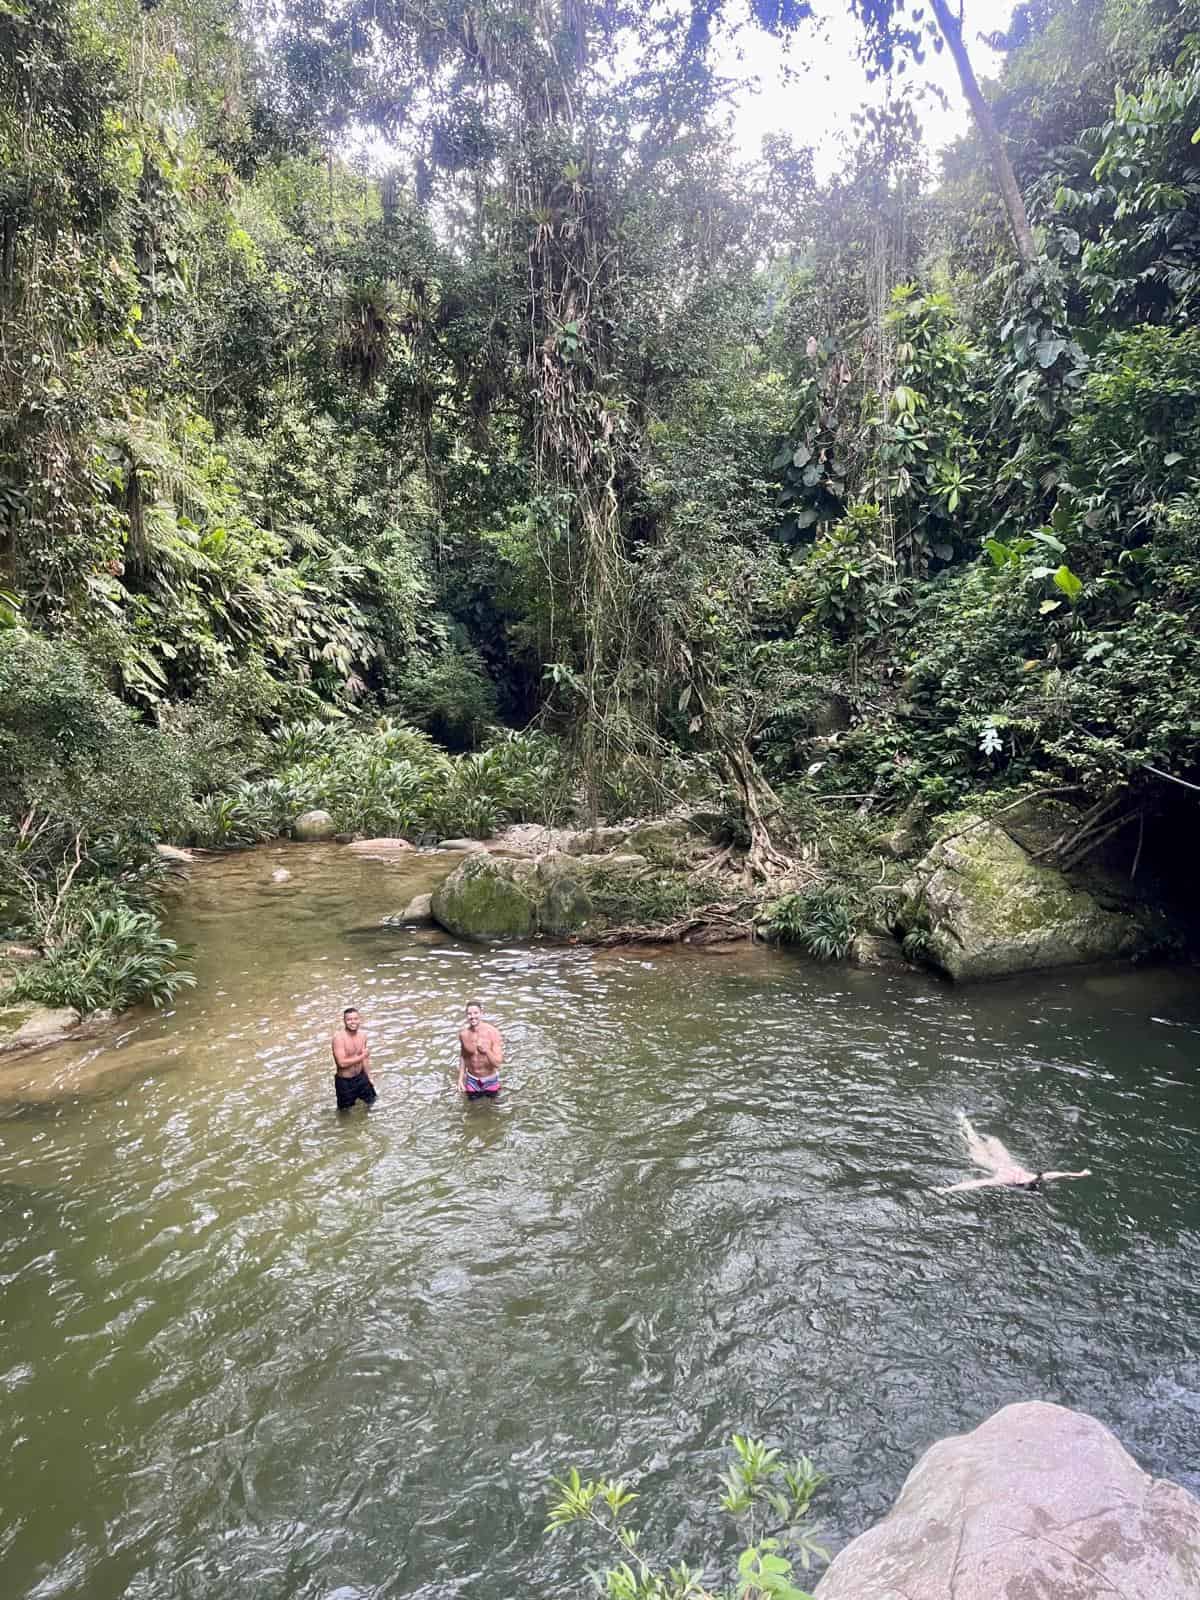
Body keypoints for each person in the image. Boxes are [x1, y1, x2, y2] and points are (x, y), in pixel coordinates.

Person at [935, 1113, 1090, 1193]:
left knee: (973, 1140)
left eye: (1025, 1179)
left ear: (1021, 1184)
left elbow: (975, 1184)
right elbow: (1054, 1174)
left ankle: (963, 1122)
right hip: (1005, 1159)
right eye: (1030, 1177)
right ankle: (969, 1127)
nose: (1025, 1176)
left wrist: (948, 1190)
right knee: (993, 1140)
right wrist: (1078, 1174)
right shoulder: (1033, 1178)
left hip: (986, 1162)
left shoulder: (1004, 1179)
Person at [332, 1006, 377, 1112]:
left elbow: (365, 1060)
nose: (353, 1022)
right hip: (345, 1082)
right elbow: (341, 1063)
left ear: (360, 1019)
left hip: (361, 1077)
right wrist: (362, 1056)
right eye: (349, 1019)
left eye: (355, 1019)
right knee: (344, 1113)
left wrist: (369, 1077)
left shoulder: (363, 1035)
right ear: (344, 1021)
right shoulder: (339, 1038)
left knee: (372, 1102)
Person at [458, 1000, 504, 1099]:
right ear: (466, 1015)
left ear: (481, 1013)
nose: (472, 1016)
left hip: (490, 1079)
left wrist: (487, 1050)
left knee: (493, 1108)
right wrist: (460, 1079)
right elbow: (463, 1056)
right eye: (469, 1014)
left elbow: (498, 1064)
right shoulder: (463, 1034)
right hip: (472, 1080)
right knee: (472, 1109)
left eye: (475, 1013)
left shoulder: (493, 1033)